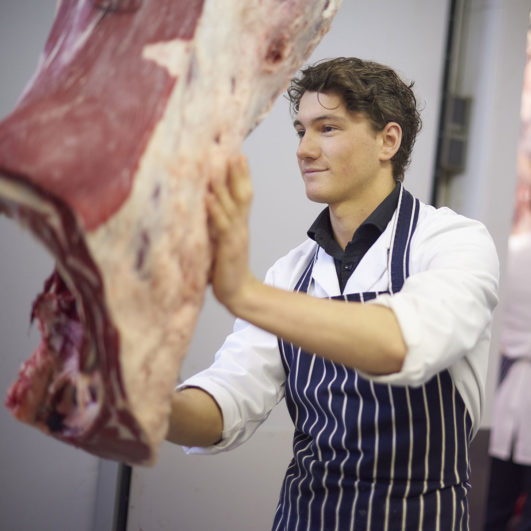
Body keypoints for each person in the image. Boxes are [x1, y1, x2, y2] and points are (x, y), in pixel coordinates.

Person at [166, 57, 499, 530]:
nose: (304, 149)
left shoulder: (452, 243)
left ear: (389, 140)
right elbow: (227, 401)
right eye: (300, 130)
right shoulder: (291, 274)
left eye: (327, 128)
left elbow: (398, 342)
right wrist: (150, 408)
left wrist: (242, 292)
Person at [484, 195, 531, 530]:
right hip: (507, 388)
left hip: (503, 386)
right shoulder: (513, 252)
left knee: (496, 502)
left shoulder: (508, 250)